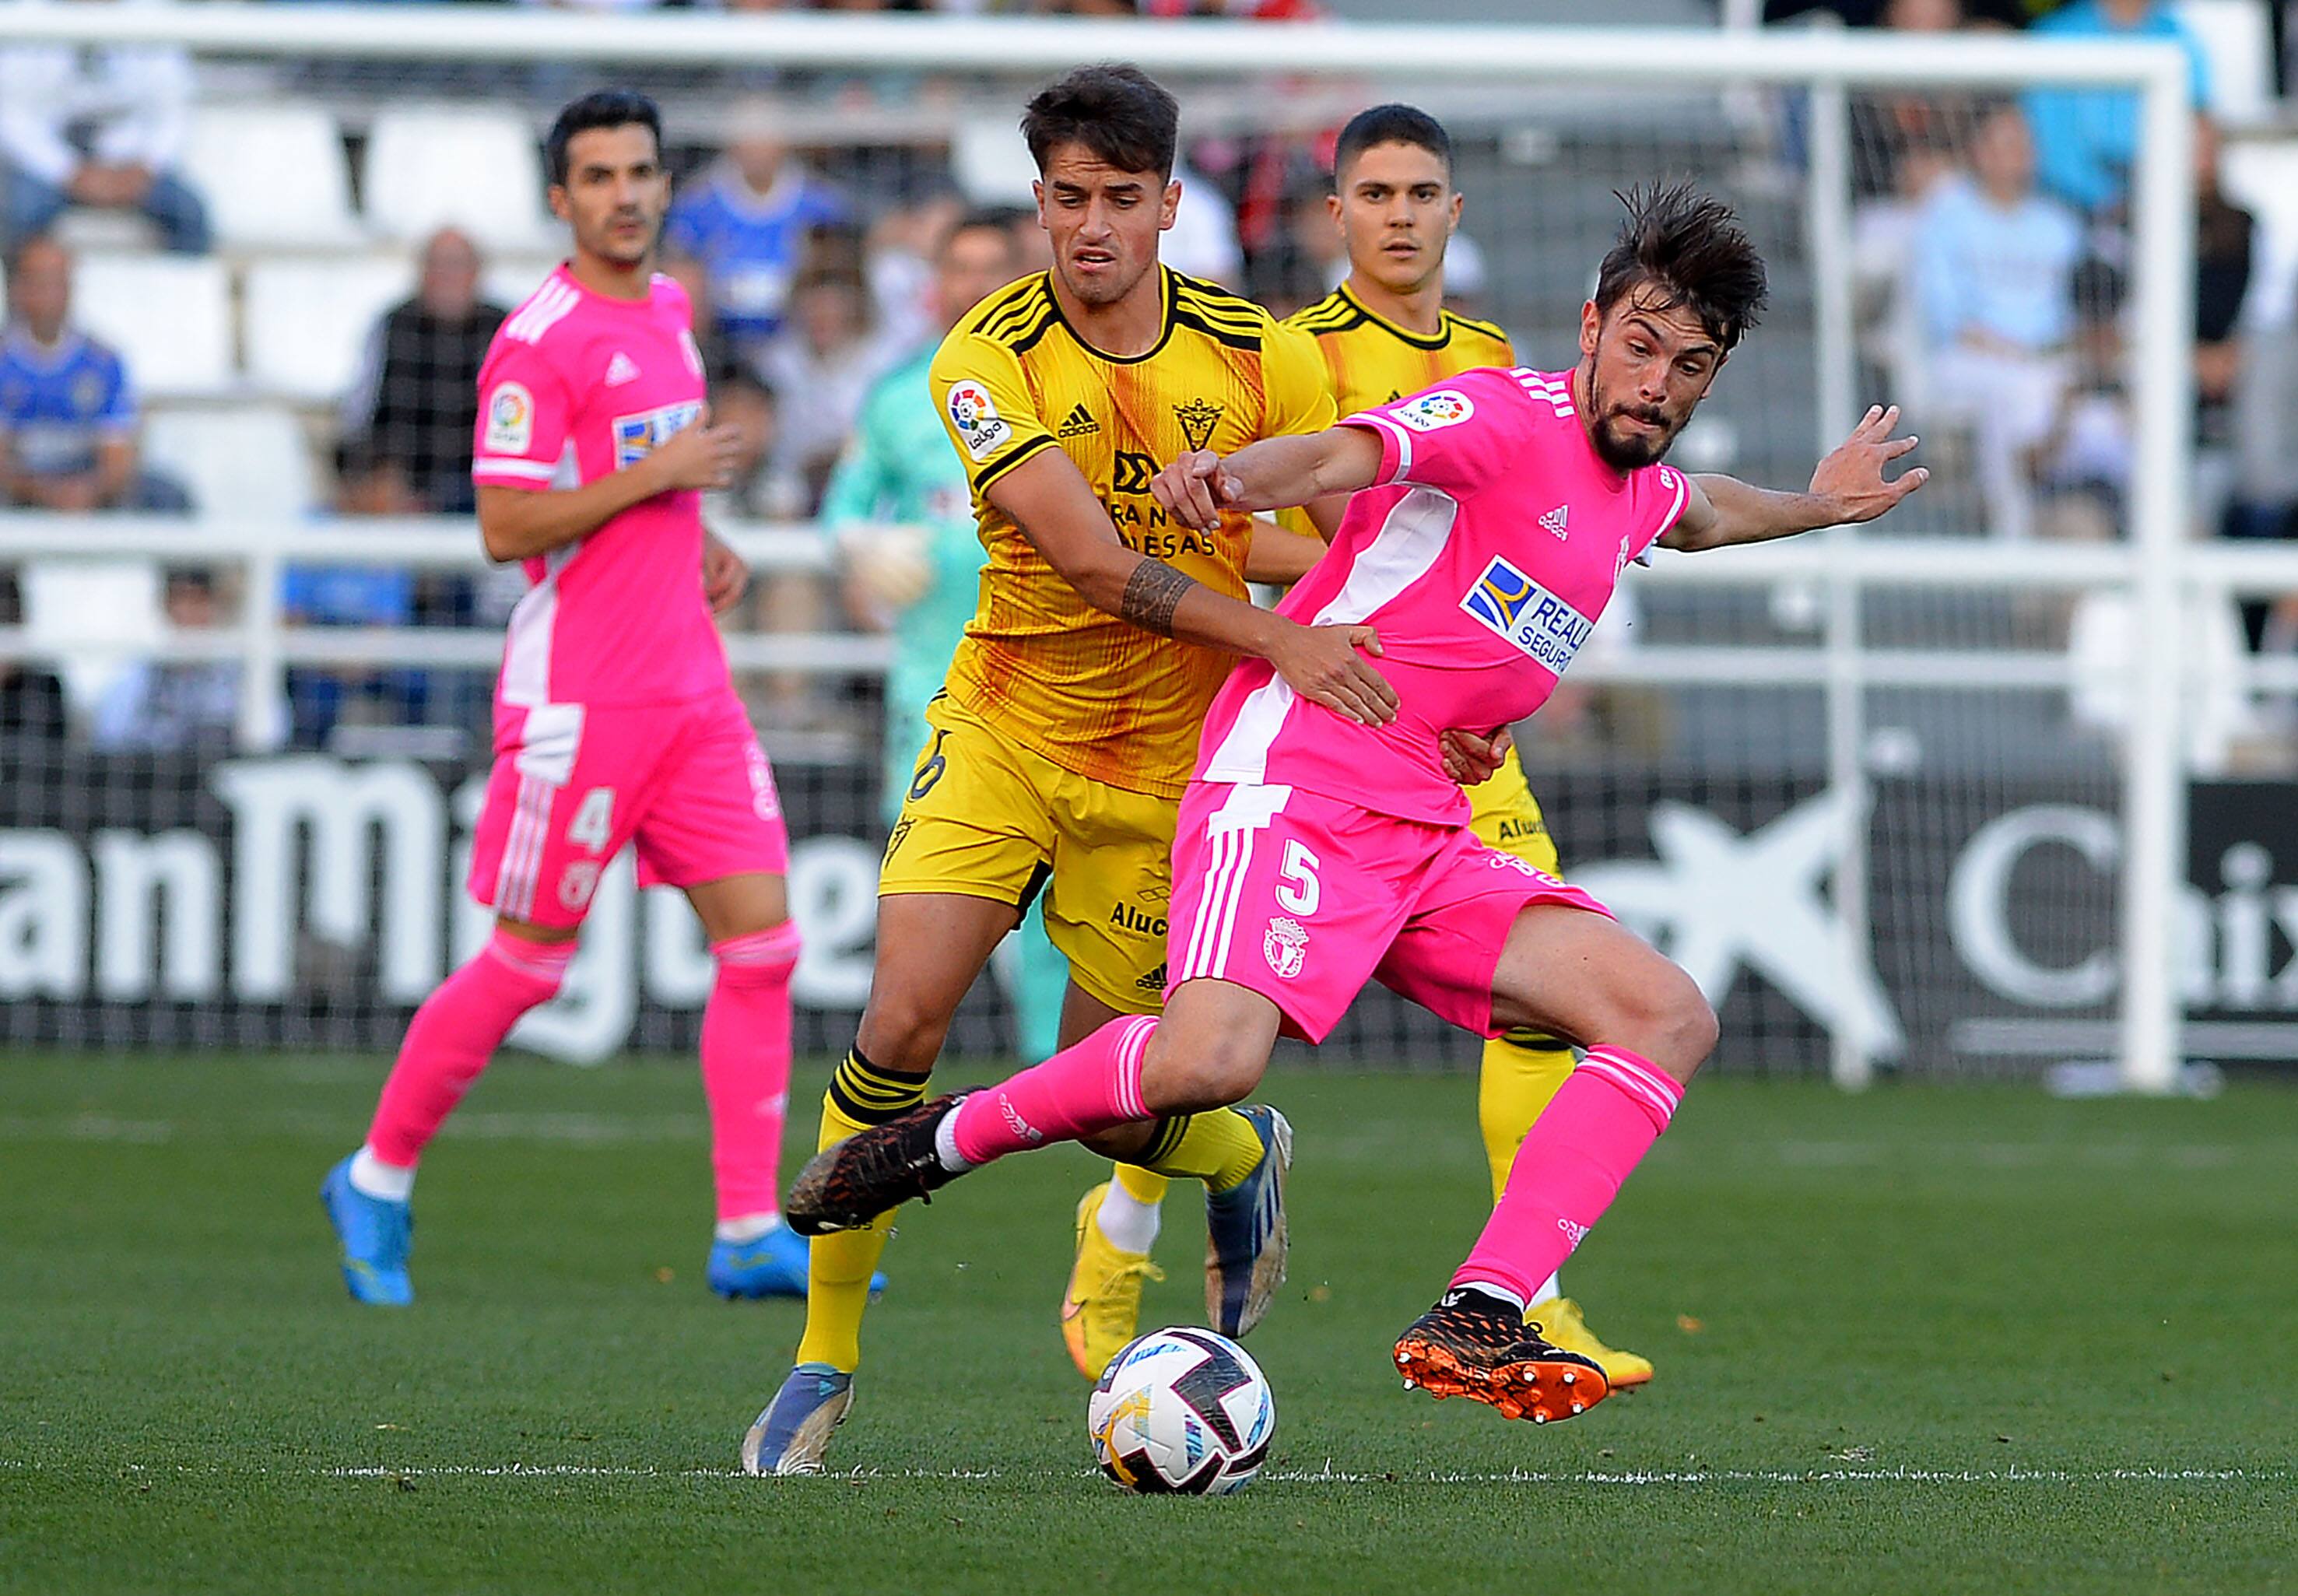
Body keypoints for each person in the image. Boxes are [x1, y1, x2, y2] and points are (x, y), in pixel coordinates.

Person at [784, 182, 1925, 1429]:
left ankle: (1483, 1307)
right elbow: (1346, 452)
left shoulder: (1639, 488)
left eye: (1688, 365)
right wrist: (1235, 473)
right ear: (1591, 327)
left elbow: (1702, 512)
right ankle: (934, 1142)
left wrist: (1820, 504)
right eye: (1640, 346)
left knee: (1664, 1014)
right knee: (1207, 1062)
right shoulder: (1498, 416)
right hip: (1298, 780)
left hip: (1427, 830)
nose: (1655, 382)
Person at [741, 63, 1402, 1477]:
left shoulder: (1261, 357)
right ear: (1037, 199)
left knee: (1105, 1096)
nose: (1087, 225)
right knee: (898, 1028)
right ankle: (821, 1360)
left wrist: (1379, 627)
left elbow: (1339, 537)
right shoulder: (982, 354)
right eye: (1063, 198)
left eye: (1117, 199)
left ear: (1172, 204)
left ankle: (1236, 1154)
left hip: (1172, 772)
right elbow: (1097, 567)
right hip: (1004, 729)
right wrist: (1281, 640)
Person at [320, 91, 819, 1308]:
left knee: (763, 944)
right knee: (529, 961)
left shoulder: (666, 308)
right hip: (582, 699)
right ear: (562, 198)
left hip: (692, 686)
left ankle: (748, 1223)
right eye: (598, 176)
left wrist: (695, 537)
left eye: (641, 170)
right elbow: (502, 524)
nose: (626, 194)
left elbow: (648, 490)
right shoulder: (535, 341)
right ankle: (376, 1176)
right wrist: (654, 477)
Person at [819, 210, 1072, 1067]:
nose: (971, 286)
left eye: (989, 269)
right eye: (957, 269)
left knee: (1054, 905)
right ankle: (896, 1073)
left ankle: (1053, 1072)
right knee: (923, 888)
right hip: (931, 681)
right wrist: (862, 545)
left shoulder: (1061, 380)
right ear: (935, 283)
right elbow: (844, 508)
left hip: (1051, 679)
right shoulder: (898, 396)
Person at [1913, 100, 2082, 542]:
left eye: (2025, 142)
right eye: (2007, 142)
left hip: (2051, 363)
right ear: (1978, 151)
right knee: (2013, 396)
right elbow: (1946, 318)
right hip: (1970, 361)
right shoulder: (1947, 217)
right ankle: (2014, 538)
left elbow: (2081, 312)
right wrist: (2017, 356)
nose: (2019, 153)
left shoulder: (2060, 224)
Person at [0, 2, 210, 255]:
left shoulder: (153, 12)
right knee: (19, 210)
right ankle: (28, 294)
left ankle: (182, 294)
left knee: (188, 213)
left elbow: (174, 107)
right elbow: (11, 114)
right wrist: (67, 171)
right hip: (50, 166)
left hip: (131, 163)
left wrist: (145, 168)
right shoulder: (26, 13)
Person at [0, 237, 188, 514]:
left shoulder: (102, 361)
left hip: (90, 485)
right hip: (22, 489)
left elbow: (117, 455)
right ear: (17, 288)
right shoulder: (5, 362)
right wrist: (45, 493)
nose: (50, 293)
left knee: (168, 496)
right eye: (39, 281)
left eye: (59, 281)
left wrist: (87, 492)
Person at [337, 228, 510, 517]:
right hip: (406, 500)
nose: (448, 276)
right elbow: (357, 421)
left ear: (478, 271)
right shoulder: (392, 326)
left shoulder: (506, 330)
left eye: (458, 264)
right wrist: (376, 481)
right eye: (439, 264)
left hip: (489, 493)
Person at [661, 100, 847, 364]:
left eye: (766, 137)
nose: (758, 149)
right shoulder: (697, 203)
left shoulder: (821, 203)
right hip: (718, 343)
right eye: (749, 138)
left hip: (798, 345)